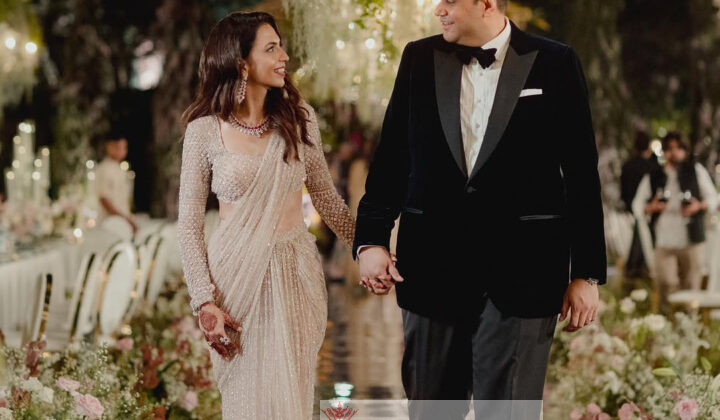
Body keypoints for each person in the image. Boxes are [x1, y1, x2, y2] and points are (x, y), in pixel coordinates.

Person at [352, 0, 607, 418]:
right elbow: (393, 159)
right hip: (432, 270)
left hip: (524, 275)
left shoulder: (556, 61)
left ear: (486, 3)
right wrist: (371, 241)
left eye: (450, 1)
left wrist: (586, 273)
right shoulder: (419, 58)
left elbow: (581, 173)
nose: (439, 10)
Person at [176, 12, 356, 419]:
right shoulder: (204, 131)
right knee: (245, 400)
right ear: (241, 63)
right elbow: (188, 225)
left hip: (295, 272)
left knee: (291, 393)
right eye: (271, 49)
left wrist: (367, 246)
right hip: (234, 281)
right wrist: (204, 301)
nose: (284, 57)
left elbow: (325, 196)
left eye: (281, 47)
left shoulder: (299, 118)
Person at [632, 132, 718, 312]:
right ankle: (667, 322)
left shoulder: (696, 171)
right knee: (666, 284)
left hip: (692, 238)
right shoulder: (653, 176)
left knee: (691, 286)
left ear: (684, 151)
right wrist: (651, 207)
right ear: (664, 151)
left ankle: (688, 324)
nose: (674, 153)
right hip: (664, 239)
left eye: (678, 148)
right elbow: (637, 205)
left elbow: (713, 198)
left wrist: (698, 206)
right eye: (670, 149)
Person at [620, 131, 660, 277]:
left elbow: (623, 192)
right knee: (644, 240)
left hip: (634, 209)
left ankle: (635, 269)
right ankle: (638, 269)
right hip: (648, 210)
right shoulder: (653, 167)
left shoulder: (628, 166)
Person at [95, 134, 137, 232]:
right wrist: (124, 219)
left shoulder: (120, 169)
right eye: (118, 147)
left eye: (124, 148)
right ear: (109, 147)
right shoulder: (104, 169)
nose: (122, 151)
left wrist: (128, 218)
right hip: (110, 224)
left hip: (122, 223)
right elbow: (104, 199)